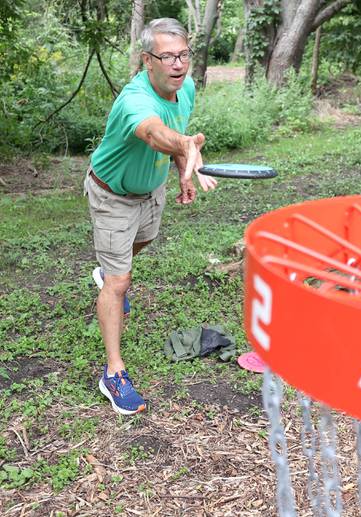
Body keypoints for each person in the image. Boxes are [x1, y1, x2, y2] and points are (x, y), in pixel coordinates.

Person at [85, 18, 217, 415]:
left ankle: (108, 272)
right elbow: (156, 133)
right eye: (167, 57)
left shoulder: (186, 88)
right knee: (119, 281)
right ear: (148, 60)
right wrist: (185, 146)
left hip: (151, 190)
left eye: (183, 55)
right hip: (113, 195)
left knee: (142, 243)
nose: (178, 64)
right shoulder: (134, 99)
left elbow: (176, 130)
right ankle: (113, 373)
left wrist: (183, 171)